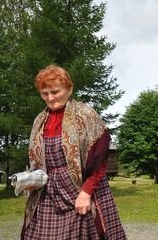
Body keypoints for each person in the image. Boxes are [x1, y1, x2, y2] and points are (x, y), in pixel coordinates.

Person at [21, 65, 126, 239]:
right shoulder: (40, 120)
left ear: (69, 89)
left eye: (55, 92)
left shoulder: (85, 115)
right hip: (47, 194)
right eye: (44, 93)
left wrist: (86, 193)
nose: (50, 98)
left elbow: (100, 161)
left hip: (80, 189)